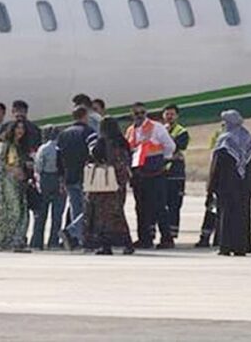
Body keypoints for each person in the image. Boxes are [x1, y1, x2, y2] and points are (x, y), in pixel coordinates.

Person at [207, 110, 251, 257]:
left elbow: (216, 165)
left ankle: (226, 247)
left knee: (226, 215)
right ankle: (241, 247)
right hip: (246, 185)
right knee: (243, 214)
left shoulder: (225, 140)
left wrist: (211, 186)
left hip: (226, 184)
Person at [125, 102, 176, 249]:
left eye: (142, 113)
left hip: (155, 173)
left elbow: (170, 146)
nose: (140, 116)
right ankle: (144, 239)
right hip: (138, 174)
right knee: (141, 208)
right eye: (137, 113)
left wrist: (163, 161)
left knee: (159, 207)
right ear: (132, 115)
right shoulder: (130, 130)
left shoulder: (156, 127)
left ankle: (167, 239)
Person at [85, 117, 135, 256]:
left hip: (104, 184)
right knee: (118, 214)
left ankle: (105, 246)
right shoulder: (123, 142)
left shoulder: (102, 142)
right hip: (119, 183)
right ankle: (126, 243)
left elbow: (95, 156)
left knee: (101, 217)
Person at [0, 120, 35, 252]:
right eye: (17, 128)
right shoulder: (6, 144)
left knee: (23, 211)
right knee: (13, 210)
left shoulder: (22, 146)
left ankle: (17, 239)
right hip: (8, 181)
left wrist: (26, 167)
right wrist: (12, 170)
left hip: (21, 182)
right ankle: (0, 237)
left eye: (22, 128)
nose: (20, 131)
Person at [58, 106, 96, 250]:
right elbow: (94, 152)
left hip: (69, 176)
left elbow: (58, 157)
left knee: (76, 209)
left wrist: (61, 176)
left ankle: (79, 239)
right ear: (85, 116)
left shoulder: (63, 134)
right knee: (89, 209)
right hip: (84, 175)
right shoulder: (89, 132)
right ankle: (72, 231)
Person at [157, 104, 189, 249]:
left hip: (176, 174)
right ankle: (163, 234)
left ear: (177, 116)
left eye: (172, 114)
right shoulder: (158, 130)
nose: (169, 117)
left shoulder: (182, 131)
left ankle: (172, 234)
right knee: (160, 205)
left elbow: (176, 147)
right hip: (162, 173)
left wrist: (165, 138)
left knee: (174, 205)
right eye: (167, 114)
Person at [31, 125, 65, 250]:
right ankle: (53, 242)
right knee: (57, 214)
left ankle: (37, 242)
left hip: (45, 178)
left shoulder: (43, 148)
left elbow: (38, 166)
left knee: (41, 213)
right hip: (59, 179)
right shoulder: (62, 147)